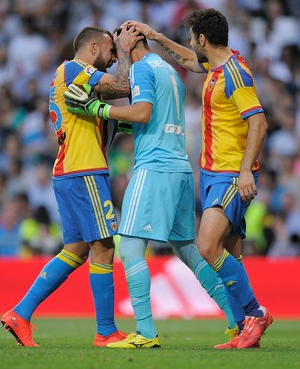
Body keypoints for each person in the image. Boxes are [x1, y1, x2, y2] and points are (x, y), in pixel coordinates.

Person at [64, 26, 239, 348]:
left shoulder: (143, 68)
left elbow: (143, 112)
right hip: (181, 168)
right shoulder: (168, 70)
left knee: (130, 248)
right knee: (189, 251)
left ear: (130, 40)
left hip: (154, 168)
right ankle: (237, 321)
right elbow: (154, 115)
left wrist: (96, 109)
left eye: (116, 46)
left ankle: (145, 333)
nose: (115, 55)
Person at [127, 9, 273, 349]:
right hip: (211, 172)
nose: (192, 44)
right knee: (231, 255)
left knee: (207, 246)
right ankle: (243, 331)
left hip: (229, 173)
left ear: (203, 38)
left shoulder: (236, 73)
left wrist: (244, 170)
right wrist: (159, 37)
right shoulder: (217, 66)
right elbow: (193, 61)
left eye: (194, 38)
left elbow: (259, 123)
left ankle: (256, 314)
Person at [1, 25, 141, 347]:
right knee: (104, 247)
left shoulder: (68, 77)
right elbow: (122, 83)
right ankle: (106, 331)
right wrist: (124, 49)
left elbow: (112, 108)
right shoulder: (76, 68)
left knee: (77, 250)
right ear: (93, 47)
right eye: (108, 51)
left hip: (69, 170)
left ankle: (20, 314)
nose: (110, 58)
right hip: (85, 169)